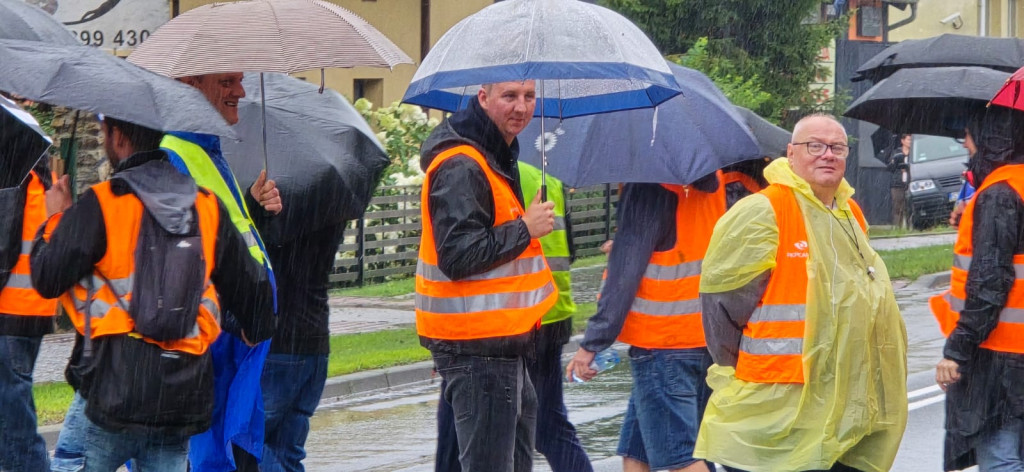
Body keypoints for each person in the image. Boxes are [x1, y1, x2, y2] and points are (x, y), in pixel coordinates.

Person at [31, 116, 275, 470]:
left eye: (104, 134)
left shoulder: (103, 203)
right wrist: (241, 326)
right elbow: (258, 307)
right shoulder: (206, 206)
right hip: (179, 398)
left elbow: (47, 278)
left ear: (118, 137)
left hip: (110, 392)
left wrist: (56, 218)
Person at [695, 114, 908, 472]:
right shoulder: (763, 211)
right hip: (778, 405)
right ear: (791, 154)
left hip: (841, 405)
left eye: (837, 147)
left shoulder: (848, 211)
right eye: (815, 146)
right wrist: (741, 365)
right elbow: (721, 309)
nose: (827, 154)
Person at [416, 80, 557, 472]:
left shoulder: (491, 155)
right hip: (479, 348)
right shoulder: (463, 163)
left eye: (529, 97)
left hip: (499, 345)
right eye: (509, 96)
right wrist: (525, 228)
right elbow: (459, 255)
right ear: (483, 98)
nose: (522, 107)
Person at [434, 161, 592, 472]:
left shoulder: (494, 173)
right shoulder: (546, 175)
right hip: (552, 310)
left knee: (462, 424)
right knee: (547, 422)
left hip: (512, 317)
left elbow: (478, 253)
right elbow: (569, 247)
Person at [565, 170, 726, 472]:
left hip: (661, 342)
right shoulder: (708, 179)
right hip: (703, 336)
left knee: (681, 458)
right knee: (637, 451)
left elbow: (624, 276)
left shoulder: (648, 184)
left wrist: (592, 344)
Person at [167, 72, 282, 472]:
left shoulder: (206, 150)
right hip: (214, 352)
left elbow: (223, 238)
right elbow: (182, 260)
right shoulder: (177, 154)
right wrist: (236, 317)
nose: (241, 92)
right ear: (192, 83)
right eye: (228, 81)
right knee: (213, 458)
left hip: (233, 353)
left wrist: (253, 210)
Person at [931, 107, 1024, 471]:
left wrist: (958, 349)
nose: (967, 146)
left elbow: (989, 282)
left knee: (1002, 457)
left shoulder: (1002, 193)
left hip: (1002, 356)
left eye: (968, 137)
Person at [0, 161, 56, 472]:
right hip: (29, 306)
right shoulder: (36, 170)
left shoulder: (12, 168)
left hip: (11, 308)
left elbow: (3, 246)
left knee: (14, 428)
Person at [886, 134, 911, 228]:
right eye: (909, 139)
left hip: (909, 183)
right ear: (903, 141)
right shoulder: (896, 153)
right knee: (897, 207)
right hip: (897, 184)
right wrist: (896, 164)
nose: (910, 142)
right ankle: (898, 227)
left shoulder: (914, 153)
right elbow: (890, 168)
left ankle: (910, 227)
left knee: (909, 207)